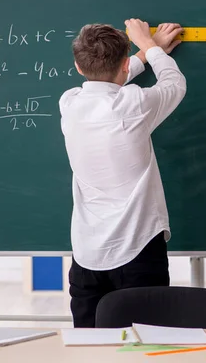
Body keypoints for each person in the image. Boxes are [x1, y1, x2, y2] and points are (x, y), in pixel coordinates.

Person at [59, 19, 186, 327]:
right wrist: (151, 47)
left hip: (87, 255)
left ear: (77, 66)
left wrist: (143, 55)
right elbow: (174, 84)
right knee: (145, 348)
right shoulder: (135, 104)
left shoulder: (70, 102)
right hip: (138, 249)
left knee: (90, 349)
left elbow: (108, 87)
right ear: (125, 63)